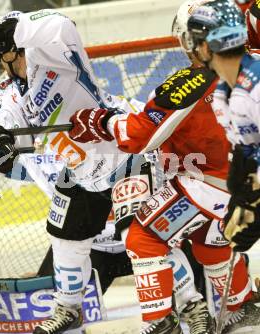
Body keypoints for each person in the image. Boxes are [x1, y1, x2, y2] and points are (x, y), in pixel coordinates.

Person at [68, 0, 258, 333]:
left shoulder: (190, 82)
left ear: (199, 42)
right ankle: (242, 308)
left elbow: (140, 135)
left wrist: (101, 121)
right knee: (210, 244)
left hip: (208, 184)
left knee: (143, 236)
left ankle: (160, 322)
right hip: (246, 186)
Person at [0, 9, 155, 334]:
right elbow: (5, 115)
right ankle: (68, 310)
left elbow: (60, 22)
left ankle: (184, 304)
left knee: (152, 238)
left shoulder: (56, 56)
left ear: (16, 48)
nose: (3, 66)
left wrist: (13, 29)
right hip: (83, 172)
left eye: (5, 55)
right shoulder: (13, 89)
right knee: (64, 235)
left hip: (123, 156)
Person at [188, 0, 260, 295]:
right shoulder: (223, 93)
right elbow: (247, 151)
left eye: (195, 41)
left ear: (207, 46)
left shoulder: (253, 90)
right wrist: (239, 193)